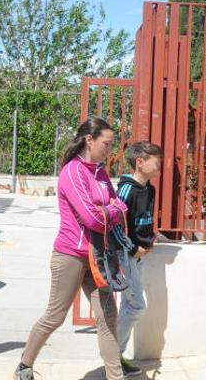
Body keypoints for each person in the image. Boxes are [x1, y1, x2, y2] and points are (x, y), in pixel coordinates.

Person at [15, 117, 128, 380]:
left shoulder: (100, 172)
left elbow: (118, 205)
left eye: (112, 145)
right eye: (106, 144)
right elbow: (92, 218)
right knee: (55, 316)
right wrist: (111, 210)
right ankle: (24, 366)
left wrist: (109, 210)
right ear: (90, 140)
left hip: (98, 255)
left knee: (108, 317)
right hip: (71, 255)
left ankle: (116, 376)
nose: (109, 150)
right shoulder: (73, 172)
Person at [112, 141, 163, 376]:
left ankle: (116, 356)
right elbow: (115, 226)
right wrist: (133, 249)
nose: (159, 165)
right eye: (156, 161)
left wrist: (150, 240)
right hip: (127, 255)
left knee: (127, 306)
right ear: (140, 162)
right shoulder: (126, 189)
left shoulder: (150, 189)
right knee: (136, 306)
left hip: (140, 256)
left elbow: (145, 220)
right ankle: (114, 355)